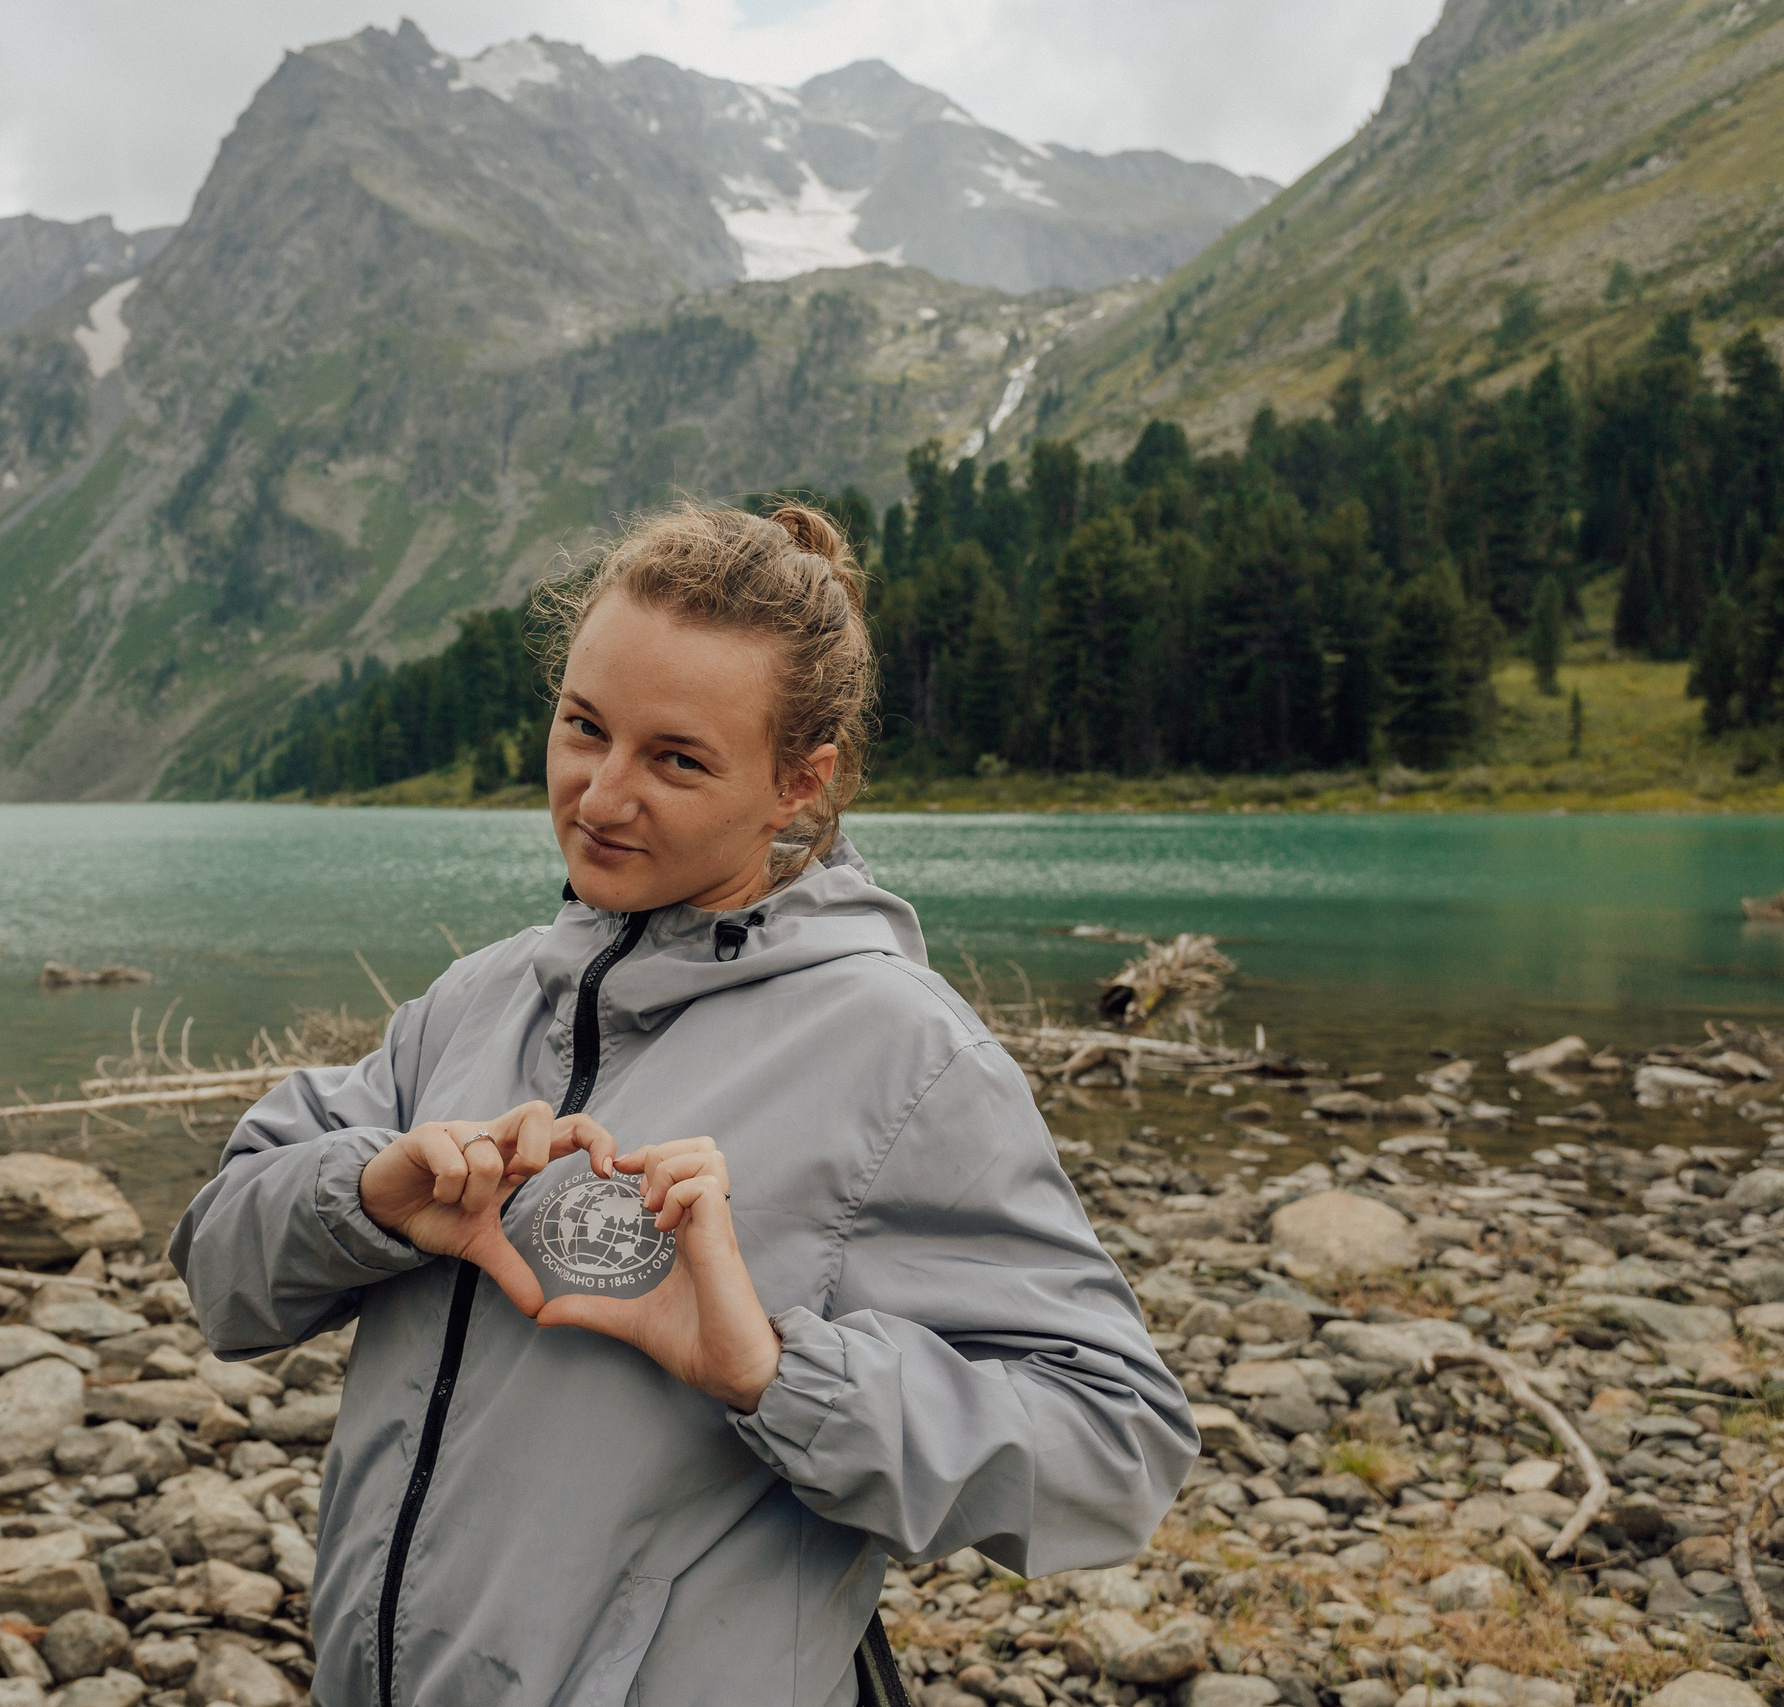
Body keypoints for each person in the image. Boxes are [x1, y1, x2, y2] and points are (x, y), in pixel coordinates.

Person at [170, 501, 1194, 1707]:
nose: (601, 796)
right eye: (583, 727)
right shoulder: (476, 1002)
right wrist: (367, 1199)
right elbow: (219, 1268)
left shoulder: (903, 1056)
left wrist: (776, 1377)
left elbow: (1114, 1451)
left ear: (796, 785)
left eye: (676, 758)